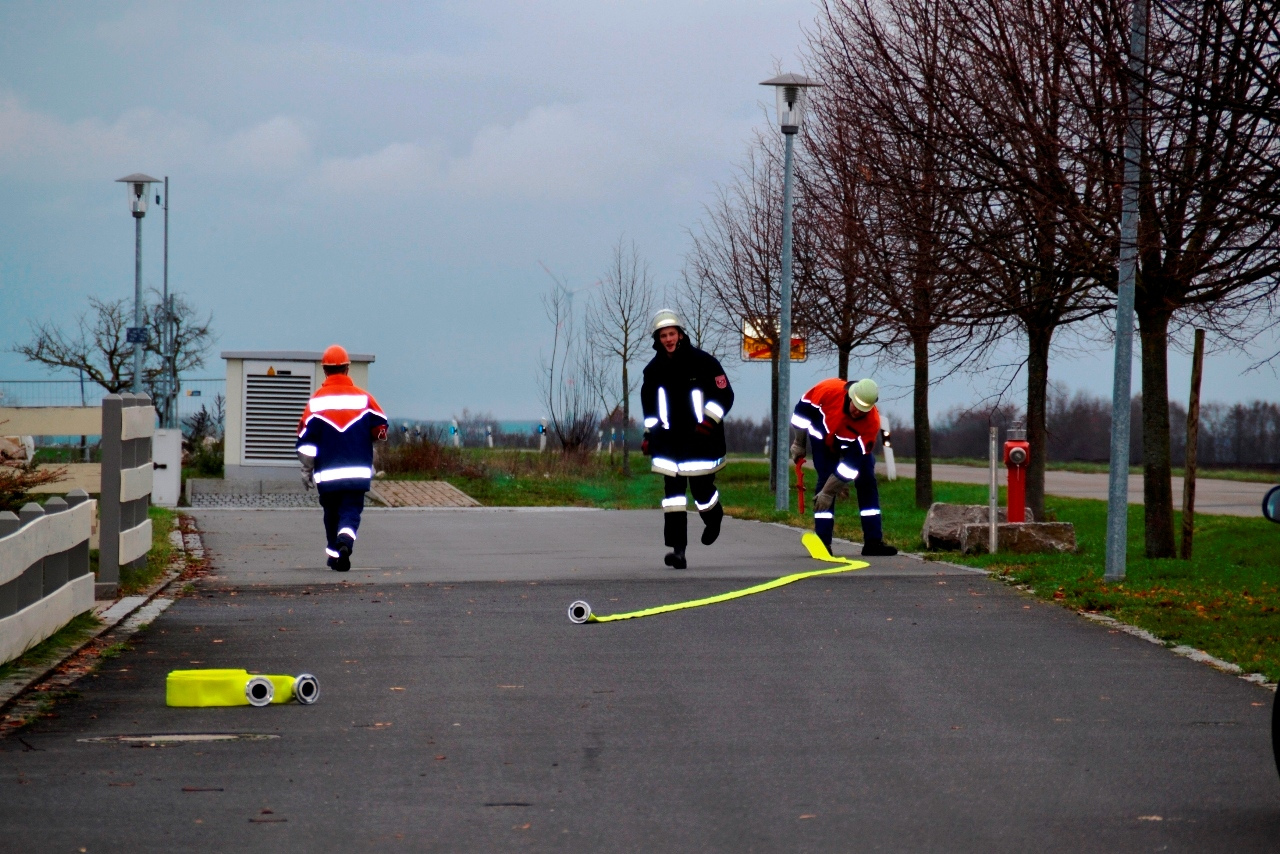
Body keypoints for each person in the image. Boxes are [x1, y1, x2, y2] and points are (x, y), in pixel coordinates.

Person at [640, 309, 734, 569]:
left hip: (700, 440)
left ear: (680, 334)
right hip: (668, 443)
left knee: (702, 491)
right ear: (657, 339)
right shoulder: (653, 371)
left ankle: (713, 518)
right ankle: (678, 551)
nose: (668, 339)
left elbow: (725, 395)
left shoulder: (705, 362)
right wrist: (649, 435)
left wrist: (708, 422)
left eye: (671, 334)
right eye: (663, 336)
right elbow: (650, 409)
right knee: (673, 497)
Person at [296, 345, 388, 571]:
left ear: (325, 370)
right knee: (350, 512)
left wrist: (306, 471)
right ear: (347, 368)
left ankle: (334, 555)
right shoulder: (364, 399)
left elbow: (306, 442)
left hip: (327, 475)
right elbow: (381, 428)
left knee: (331, 514)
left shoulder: (315, 403)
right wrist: (371, 440)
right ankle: (345, 541)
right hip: (357, 474)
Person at [790, 377, 898, 557]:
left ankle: (873, 542)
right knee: (825, 477)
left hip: (852, 445)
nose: (858, 411)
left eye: (863, 409)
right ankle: (823, 542)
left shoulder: (871, 424)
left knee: (866, 480)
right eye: (856, 406)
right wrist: (799, 443)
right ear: (850, 396)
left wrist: (828, 492)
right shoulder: (827, 390)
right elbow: (801, 415)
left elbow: (851, 467)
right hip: (822, 437)